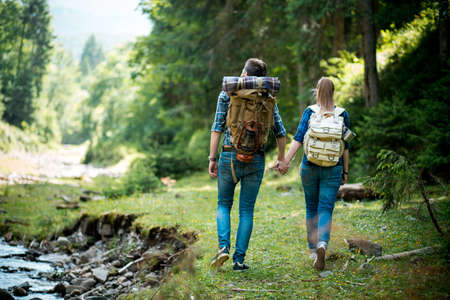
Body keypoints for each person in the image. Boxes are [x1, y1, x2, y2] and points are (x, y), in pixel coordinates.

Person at [209, 58, 287, 271]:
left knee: (224, 204)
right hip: (257, 158)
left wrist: (212, 158)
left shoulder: (228, 93)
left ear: (244, 74)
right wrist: (281, 159)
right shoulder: (268, 98)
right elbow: (280, 132)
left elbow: (217, 127)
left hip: (228, 155)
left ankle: (223, 248)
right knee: (246, 211)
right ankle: (239, 260)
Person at [277, 77, 350, 271]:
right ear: (333, 92)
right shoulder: (343, 114)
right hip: (333, 168)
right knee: (325, 207)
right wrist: (345, 170)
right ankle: (322, 245)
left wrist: (286, 161)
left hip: (309, 167)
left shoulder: (310, 112)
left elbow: (299, 139)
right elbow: (346, 147)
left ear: (317, 91)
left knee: (311, 207)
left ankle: (312, 249)